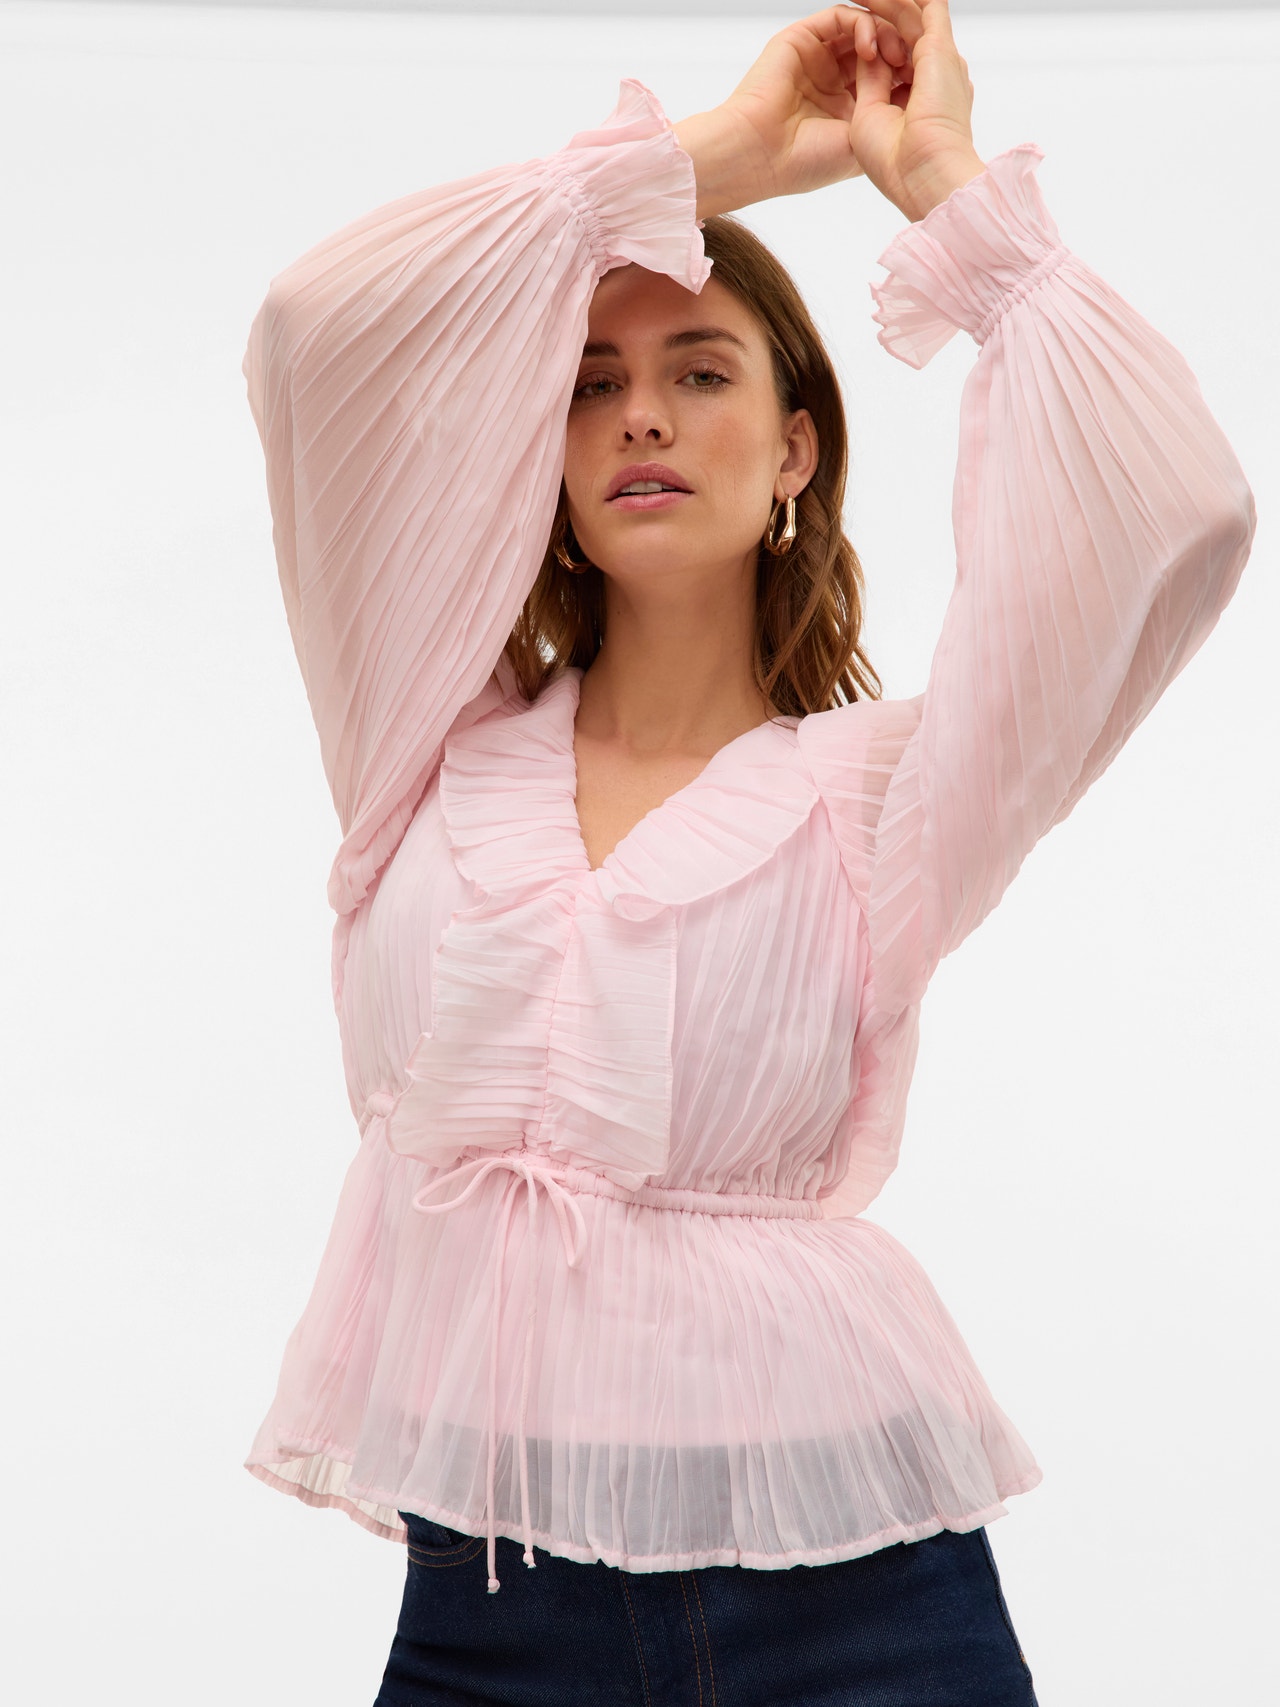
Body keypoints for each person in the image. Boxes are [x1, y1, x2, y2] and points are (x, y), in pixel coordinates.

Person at [239, 1, 1256, 1700]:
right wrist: (705, 162)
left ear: (794, 452)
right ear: (547, 459)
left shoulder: (891, 796)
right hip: (490, 1605)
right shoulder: (421, 738)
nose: (640, 416)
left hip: (854, 1600)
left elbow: (1179, 512)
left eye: (701, 372)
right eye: (593, 386)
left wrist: (943, 185)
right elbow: (310, 330)